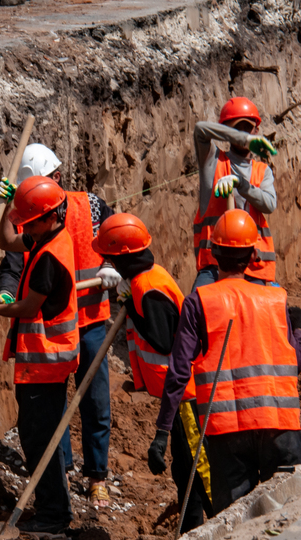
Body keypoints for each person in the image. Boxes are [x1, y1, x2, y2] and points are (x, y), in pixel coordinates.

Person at [149, 210, 301, 512]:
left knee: (236, 520)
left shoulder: (199, 301)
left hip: (226, 432)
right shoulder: (276, 300)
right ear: (253, 254)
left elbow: (179, 371)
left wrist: (162, 432)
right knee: (291, 514)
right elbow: (296, 364)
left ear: (212, 253)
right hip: (279, 424)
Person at [0, 143, 120, 505]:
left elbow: (115, 237)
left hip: (92, 321)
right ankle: (59, 470)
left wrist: (112, 265)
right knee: (54, 404)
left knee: (95, 402)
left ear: (58, 178)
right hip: (57, 332)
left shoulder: (90, 206)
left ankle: (97, 477)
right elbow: (11, 254)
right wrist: (4, 207)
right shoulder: (39, 217)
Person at [0, 176, 79, 535]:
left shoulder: (50, 257)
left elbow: (28, 307)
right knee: (36, 436)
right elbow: (8, 241)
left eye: (29, 219)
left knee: (39, 440)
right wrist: (9, 212)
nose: (25, 226)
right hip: (44, 362)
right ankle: (51, 508)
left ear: (48, 217)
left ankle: (53, 518)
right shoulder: (48, 235)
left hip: (47, 361)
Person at [91, 213, 214, 532]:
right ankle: (191, 529)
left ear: (123, 257)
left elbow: (162, 339)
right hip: (177, 394)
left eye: (111, 258)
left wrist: (129, 305)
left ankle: (226, 520)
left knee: (198, 470)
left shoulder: (147, 287)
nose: (109, 263)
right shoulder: (146, 278)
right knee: (185, 470)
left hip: (186, 394)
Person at [192, 97, 278, 291]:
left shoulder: (262, 171)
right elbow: (200, 130)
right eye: (236, 128)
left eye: (248, 128)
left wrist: (242, 185)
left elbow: (269, 204)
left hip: (253, 265)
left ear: (256, 130)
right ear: (226, 132)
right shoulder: (213, 162)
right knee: (196, 308)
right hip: (215, 265)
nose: (243, 132)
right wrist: (242, 138)